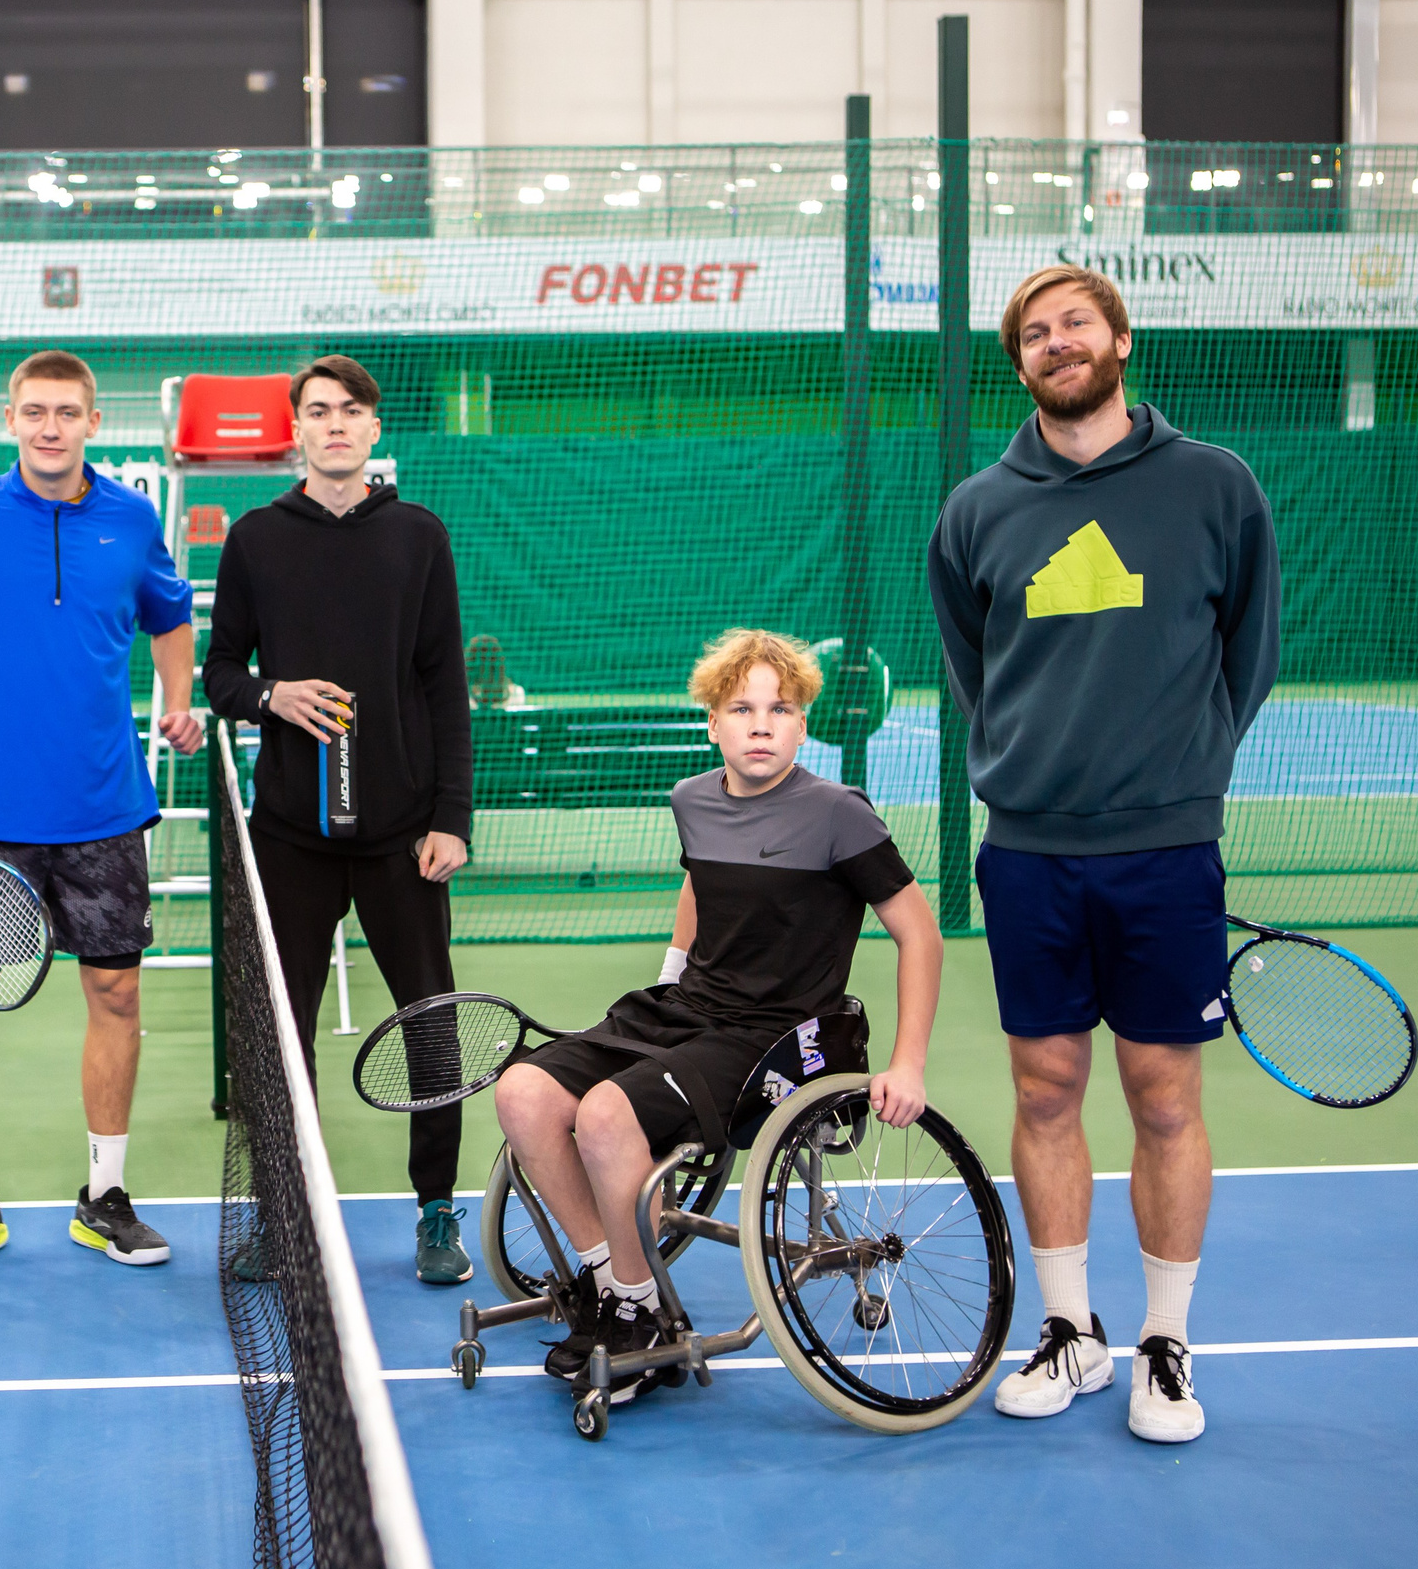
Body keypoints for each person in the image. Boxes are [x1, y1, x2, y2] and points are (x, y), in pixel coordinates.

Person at [928, 264, 1280, 1446]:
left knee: (1164, 1095)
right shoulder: (977, 508)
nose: (1054, 342)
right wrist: (1040, 769)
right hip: (1028, 854)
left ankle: (1164, 1345)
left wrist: (1180, 773)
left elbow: (1250, 651)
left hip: (1165, 852)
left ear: (1119, 339)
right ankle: (1071, 1330)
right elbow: (977, 671)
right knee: (1044, 1087)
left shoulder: (1213, 487)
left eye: (1073, 322)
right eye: (1033, 333)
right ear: (1019, 363)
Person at [492, 629, 942, 1411]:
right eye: (742, 708)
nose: (761, 724)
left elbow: (920, 934)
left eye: (781, 708)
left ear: (804, 724)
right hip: (688, 1009)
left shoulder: (841, 815)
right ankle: (614, 1280)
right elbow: (701, 883)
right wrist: (671, 972)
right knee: (523, 1091)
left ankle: (636, 1315)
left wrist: (907, 1062)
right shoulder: (692, 799)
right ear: (713, 723)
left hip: (777, 1037)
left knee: (604, 1115)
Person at [0, 349, 205, 1276]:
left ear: (95, 422)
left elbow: (171, 614)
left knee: (117, 993)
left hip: (103, 812)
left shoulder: (134, 519)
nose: (50, 427)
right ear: (10, 419)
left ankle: (105, 1195)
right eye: (33, 411)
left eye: (67, 412)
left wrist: (178, 695)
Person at [202, 354, 477, 1284]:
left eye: (350, 411)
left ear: (371, 429)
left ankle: (438, 1211)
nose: (334, 425)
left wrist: (451, 818)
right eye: (317, 411)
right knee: (283, 1034)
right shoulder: (254, 539)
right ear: (297, 429)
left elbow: (446, 688)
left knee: (431, 1023)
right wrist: (271, 695)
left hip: (404, 839)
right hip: (290, 841)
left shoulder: (418, 536)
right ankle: (289, 1214)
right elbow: (220, 674)